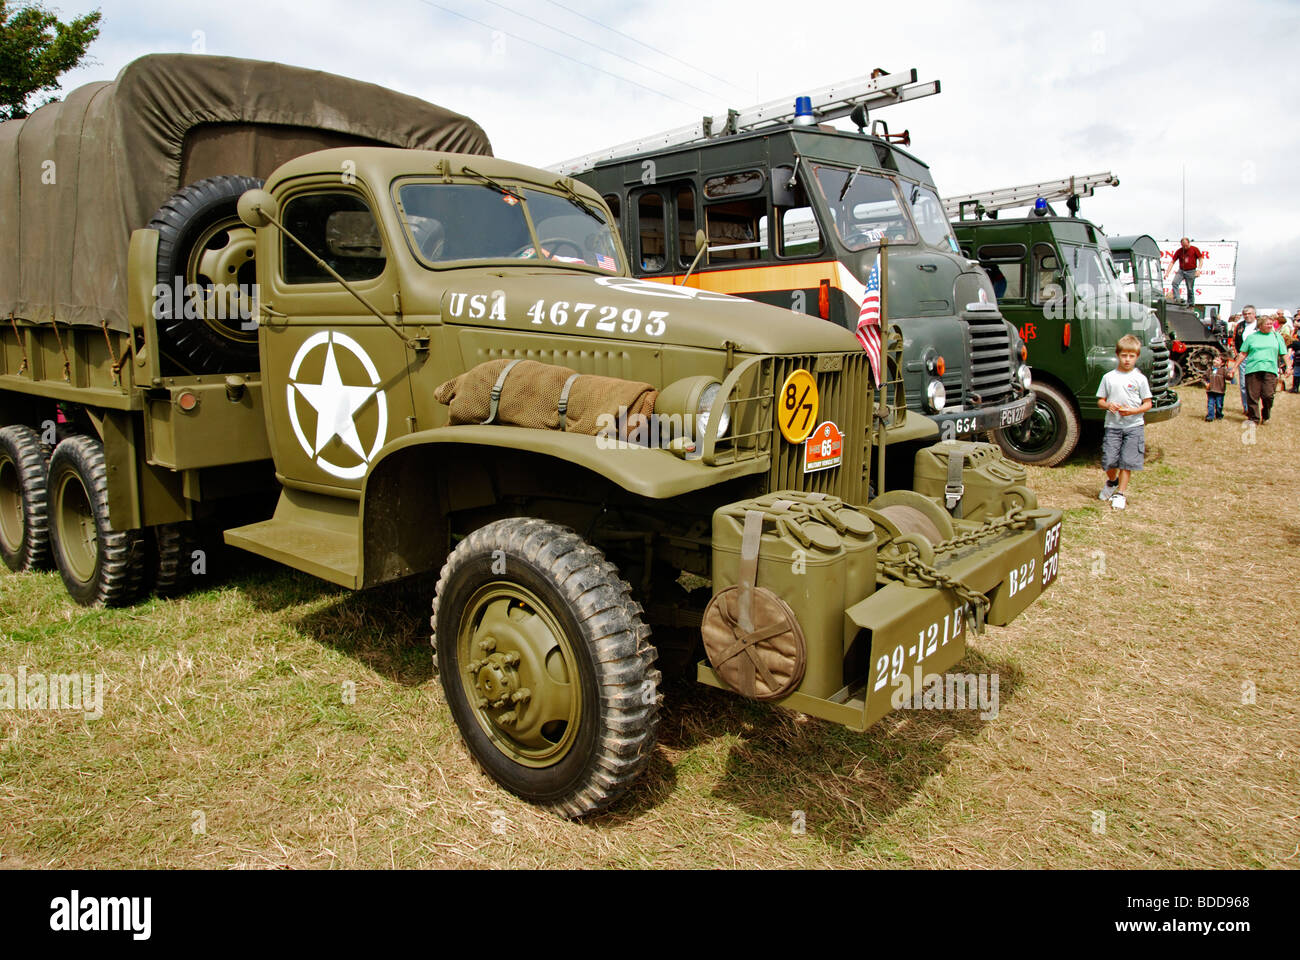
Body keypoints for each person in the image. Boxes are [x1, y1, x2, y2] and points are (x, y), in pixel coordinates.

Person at [1096, 334, 1153, 511]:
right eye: (1124, 355)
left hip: (1133, 426)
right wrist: (1108, 405)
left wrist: (1133, 411)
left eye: (1131, 356)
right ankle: (1112, 482)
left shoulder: (1140, 379)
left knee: (1126, 462)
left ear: (1136, 357)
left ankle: (1120, 494)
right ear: (1117, 355)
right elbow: (1100, 401)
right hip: (1113, 426)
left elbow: (1148, 403)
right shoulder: (1109, 377)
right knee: (1108, 460)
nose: (1127, 360)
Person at [1232, 312, 1292, 423]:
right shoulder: (1251, 337)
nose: (1270, 326)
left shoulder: (1276, 336)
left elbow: (1284, 353)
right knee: (1252, 395)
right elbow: (1243, 354)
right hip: (1252, 369)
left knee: (1268, 395)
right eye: (1267, 324)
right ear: (1260, 325)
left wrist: (1288, 367)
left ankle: (1266, 414)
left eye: (1271, 324)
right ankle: (1254, 418)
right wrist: (1234, 368)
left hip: (1270, 369)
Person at [1164, 237, 1207, 306]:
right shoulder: (1179, 251)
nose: (1185, 247)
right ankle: (1177, 299)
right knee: (1174, 283)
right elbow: (1172, 262)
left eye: (1186, 245)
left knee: (1190, 288)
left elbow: (1201, 259)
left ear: (1189, 243)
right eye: (1183, 246)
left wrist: (1199, 270)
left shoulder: (1194, 249)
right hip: (1181, 270)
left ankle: (1191, 303)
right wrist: (1167, 273)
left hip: (1191, 271)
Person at [1232, 306, 1259, 414]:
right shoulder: (1240, 326)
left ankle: (1255, 407)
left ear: (1254, 314)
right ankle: (1247, 408)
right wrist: (1236, 354)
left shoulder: (1259, 325)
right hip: (1243, 356)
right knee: (1244, 384)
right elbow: (1234, 340)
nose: (1247, 316)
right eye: (1245, 314)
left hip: (1257, 357)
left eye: (1249, 313)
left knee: (1256, 384)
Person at [1204, 355, 1226, 421]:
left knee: (1219, 405)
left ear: (1222, 363)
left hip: (1220, 391)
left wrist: (1231, 375)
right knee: (1210, 404)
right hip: (1210, 390)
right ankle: (1210, 416)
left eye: (1217, 360)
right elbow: (1204, 377)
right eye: (1214, 359)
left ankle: (1219, 415)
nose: (1214, 361)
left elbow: (1229, 377)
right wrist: (1206, 383)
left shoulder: (1223, 370)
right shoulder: (1209, 370)